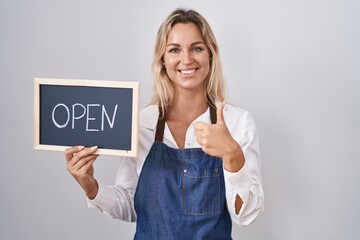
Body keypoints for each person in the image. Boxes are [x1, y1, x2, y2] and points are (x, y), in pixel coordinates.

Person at [65, 8, 264, 239]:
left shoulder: (237, 122)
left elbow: (247, 215)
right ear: (163, 59)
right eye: (174, 50)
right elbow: (132, 204)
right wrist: (91, 186)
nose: (187, 59)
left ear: (210, 55)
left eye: (197, 48)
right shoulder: (140, 124)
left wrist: (233, 156)